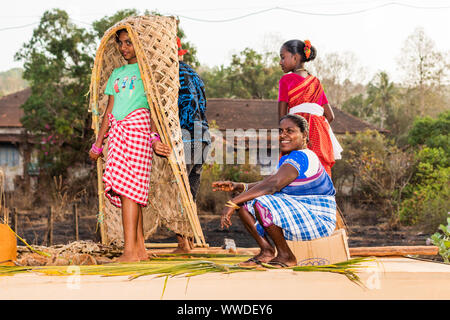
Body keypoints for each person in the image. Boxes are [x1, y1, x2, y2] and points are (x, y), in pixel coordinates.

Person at [89, 28, 171, 262]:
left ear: (139, 45)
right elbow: (109, 111)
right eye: (121, 44)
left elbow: (154, 110)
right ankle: (139, 250)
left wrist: (154, 139)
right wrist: (98, 144)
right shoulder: (117, 73)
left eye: (129, 43)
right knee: (129, 192)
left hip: (138, 130)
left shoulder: (147, 74)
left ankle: (129, 252)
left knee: (130, 191)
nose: (124, 48)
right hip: (117, 133)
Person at [212, 114, 336, 267]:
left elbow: (273, 185)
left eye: (289, 131)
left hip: (318, 219)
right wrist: (239, 186)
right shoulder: (288, 159)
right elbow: (269, 182)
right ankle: (267, 251)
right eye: (280, 131)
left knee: (260, 202)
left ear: (304, 135)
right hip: (300, 214)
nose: (283, 135)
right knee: (244, 201)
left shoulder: (303, 156)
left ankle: (286, 256)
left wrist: (232, 202)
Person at [278, 39, 342, 177]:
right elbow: (330, 116)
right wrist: (315, 128)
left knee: (294, 172)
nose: (280, 62)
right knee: (319, 172)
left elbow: (282, 118)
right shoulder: (316, 82)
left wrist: (291, 132)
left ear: (295, 58)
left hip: (297, 133)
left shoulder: (285, 80)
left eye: (283, 57)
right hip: (319, 135)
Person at [173, 37, 211, 252]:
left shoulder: (172, 75)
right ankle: (190, 241)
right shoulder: (195, 75)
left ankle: (183, 244)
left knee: (179, 191)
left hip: (185, 137)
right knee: (191, 192)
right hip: (202, 136)